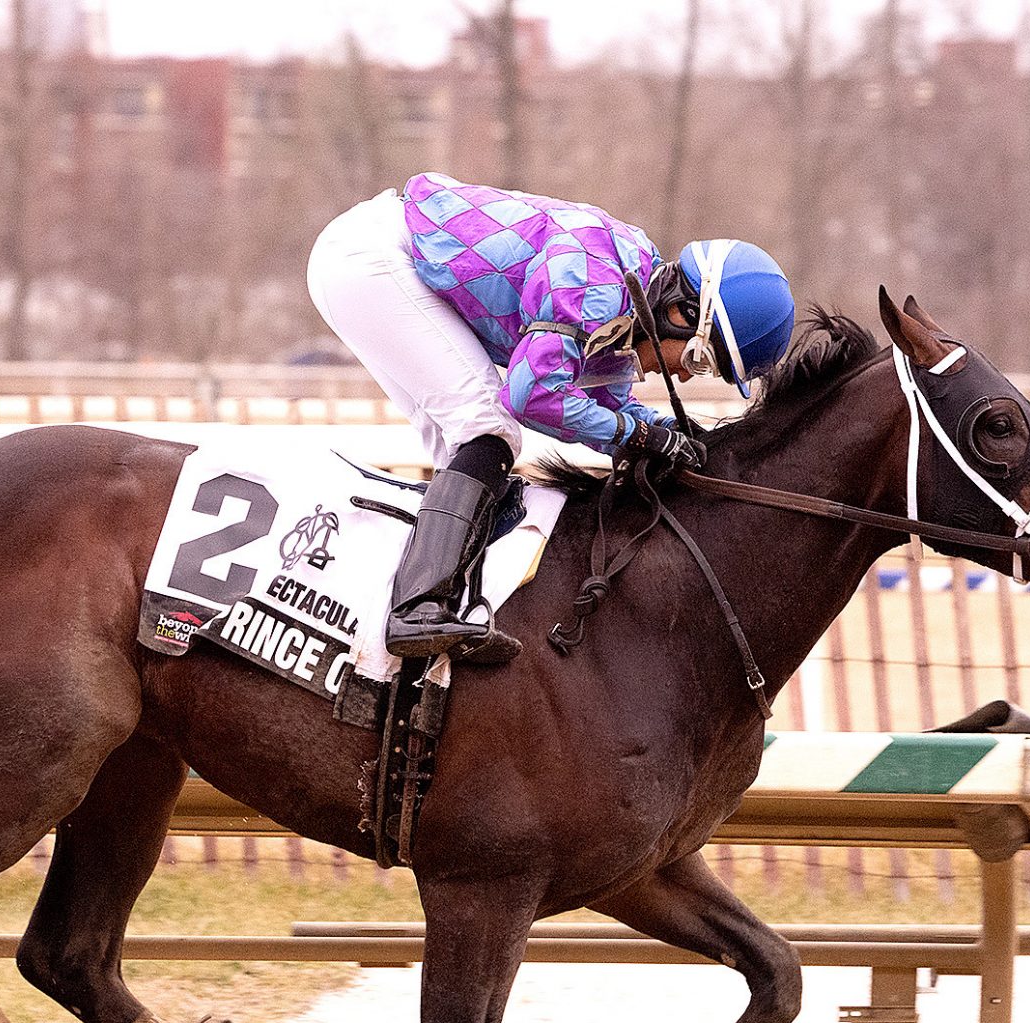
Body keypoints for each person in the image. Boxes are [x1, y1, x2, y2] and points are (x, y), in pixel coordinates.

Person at [307, 171, 796, 663]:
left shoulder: (628, 300)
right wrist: (638, 433)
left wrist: (669, 433)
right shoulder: (598, 283)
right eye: (696, 360)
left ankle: (438, 603)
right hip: (371, 258)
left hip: (374, 265)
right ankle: (418, 609)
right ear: (682, 314)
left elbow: (608, 409)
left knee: (472, 451)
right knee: (488, 429)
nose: (686, 378)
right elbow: (533, 394)